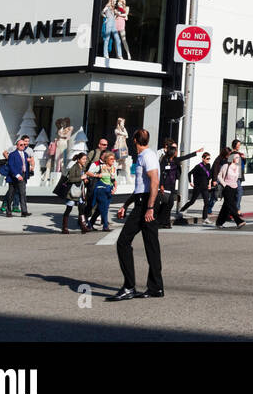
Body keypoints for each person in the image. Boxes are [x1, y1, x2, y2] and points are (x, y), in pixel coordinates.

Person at [108, 128, 163, 301]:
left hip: (146, 204)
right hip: (142, 201)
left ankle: (129, 287)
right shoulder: (144, 156)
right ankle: (155, 287)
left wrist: (150, 207)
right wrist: (126, 204)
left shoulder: (147, 156)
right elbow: (141, 187)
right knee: (151, 245)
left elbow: (154, 182)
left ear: (134, 140)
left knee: (123, 241)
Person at [157, 142, 201, 228]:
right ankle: (161, 222)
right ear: (172, 152)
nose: (177, 153)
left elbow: (185, 157)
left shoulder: (175, 160)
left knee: (169, 204)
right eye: (176, 151)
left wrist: (196, 152)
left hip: (172, 184)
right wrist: (161, 185)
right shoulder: (164, 160)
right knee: (166, 203)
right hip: (165, 185)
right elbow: (160, 174)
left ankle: (165, 222)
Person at [0, 135, 33, 218]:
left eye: (24, 145)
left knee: (22, 194)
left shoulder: (25, 154)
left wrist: (27, 173)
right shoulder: (12, 154)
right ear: (17, 146)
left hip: (23, 175)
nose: (23, 146)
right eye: (21, 145)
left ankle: (24, 211)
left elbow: (25, 165)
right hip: (13, 177)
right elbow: (11, 166)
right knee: (11, 194)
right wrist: (17, 175)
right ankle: (8, 211)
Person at [86, 152, 119, 231]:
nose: (113, 160)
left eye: (113, 159)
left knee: (100, 209)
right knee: (104, 208)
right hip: (101, 189)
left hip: (109, 190)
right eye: (111, 159)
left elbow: (115, 180)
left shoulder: (113, 168)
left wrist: (115, 188)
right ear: (106, 160)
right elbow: (87, 172)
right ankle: (105, 225)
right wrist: (96, 175)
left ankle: (90, 224)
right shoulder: (100, 167)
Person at [60, 152, 92, 234]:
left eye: (86, 159)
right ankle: (64, 227)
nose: (85, 160)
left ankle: (83, 226)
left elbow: (83, 178)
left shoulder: (83, 167)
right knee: (68, 209)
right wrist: (81, 177)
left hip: (80, 192)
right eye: (83, 159)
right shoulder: (74, 167)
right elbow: (70, 179)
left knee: (81, 209)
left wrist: (85, 180)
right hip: (72, 192)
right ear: (78, 160)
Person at [180, 151, 216, 223]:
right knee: (192, 201)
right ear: (203, 158)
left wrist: (209, 184)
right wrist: (190, 182)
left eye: (209, 158)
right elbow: (189, 173)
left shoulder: (209, 165)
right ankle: (182, 209)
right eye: (207, 158)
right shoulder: (198, 166)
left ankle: (205, 218)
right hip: (198, 187)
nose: (208, 160)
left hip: (205, 187)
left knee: (206, 203)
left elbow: (209, 176)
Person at [215, 149, 247, 228]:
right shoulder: (226, 166)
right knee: (232, 205)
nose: (238, 159)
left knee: (226, 207)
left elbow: (236, 178)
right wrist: (224, 185)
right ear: (232, 158)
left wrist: (236, 186)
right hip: (227, 188)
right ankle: (239, 221)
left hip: (234, 188)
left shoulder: (237, 167)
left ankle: (219, 223)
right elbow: (219, 176)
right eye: (236, 157)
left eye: (238, 158)